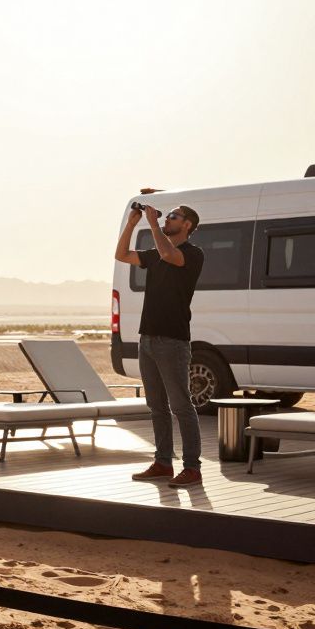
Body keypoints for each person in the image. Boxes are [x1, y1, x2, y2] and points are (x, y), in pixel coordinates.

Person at [115, 202, 205, 488]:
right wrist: (132, 223)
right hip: (148, 339)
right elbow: (121, 255)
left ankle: (192, 468)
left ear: (187, 224)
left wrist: (153, 223)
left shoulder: (193, 254)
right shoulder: (155, 254)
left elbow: (170, 254)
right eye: (167, 216)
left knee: (181, 406)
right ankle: (163, 462)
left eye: (173, 216)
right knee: (156, 406)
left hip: (173, 341)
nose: (167, 218)